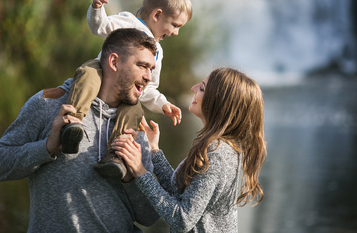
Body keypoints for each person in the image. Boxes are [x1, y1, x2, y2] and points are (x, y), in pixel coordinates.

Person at [0, 28, 160, 232]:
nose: (149, 77)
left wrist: (133, 175)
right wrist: (46, 148)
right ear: (114, 62)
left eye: (151, 69)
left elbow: (149, 217)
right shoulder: (49, 103)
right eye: (142, 66)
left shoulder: (136, 130)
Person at [62, 0, 193, 180]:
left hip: (124, 92)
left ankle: (114, 155)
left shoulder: (158, 52)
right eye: (175, 25)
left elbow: (147, 87)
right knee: (88, 73)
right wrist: (97, 8)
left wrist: (163, 104)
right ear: (157, 15)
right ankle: (73, 124)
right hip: (102, 72)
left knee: (134, 110)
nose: (175, 32)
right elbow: (100, 27)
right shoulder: (128, 22)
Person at [112, 68, 267, 232]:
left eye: (202, 88)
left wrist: (139, 171)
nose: (193, 88)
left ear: (218, 102)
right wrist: (154, 151)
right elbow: (179, 193)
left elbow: (182, 220)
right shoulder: (216, 147)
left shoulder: (218, 155)